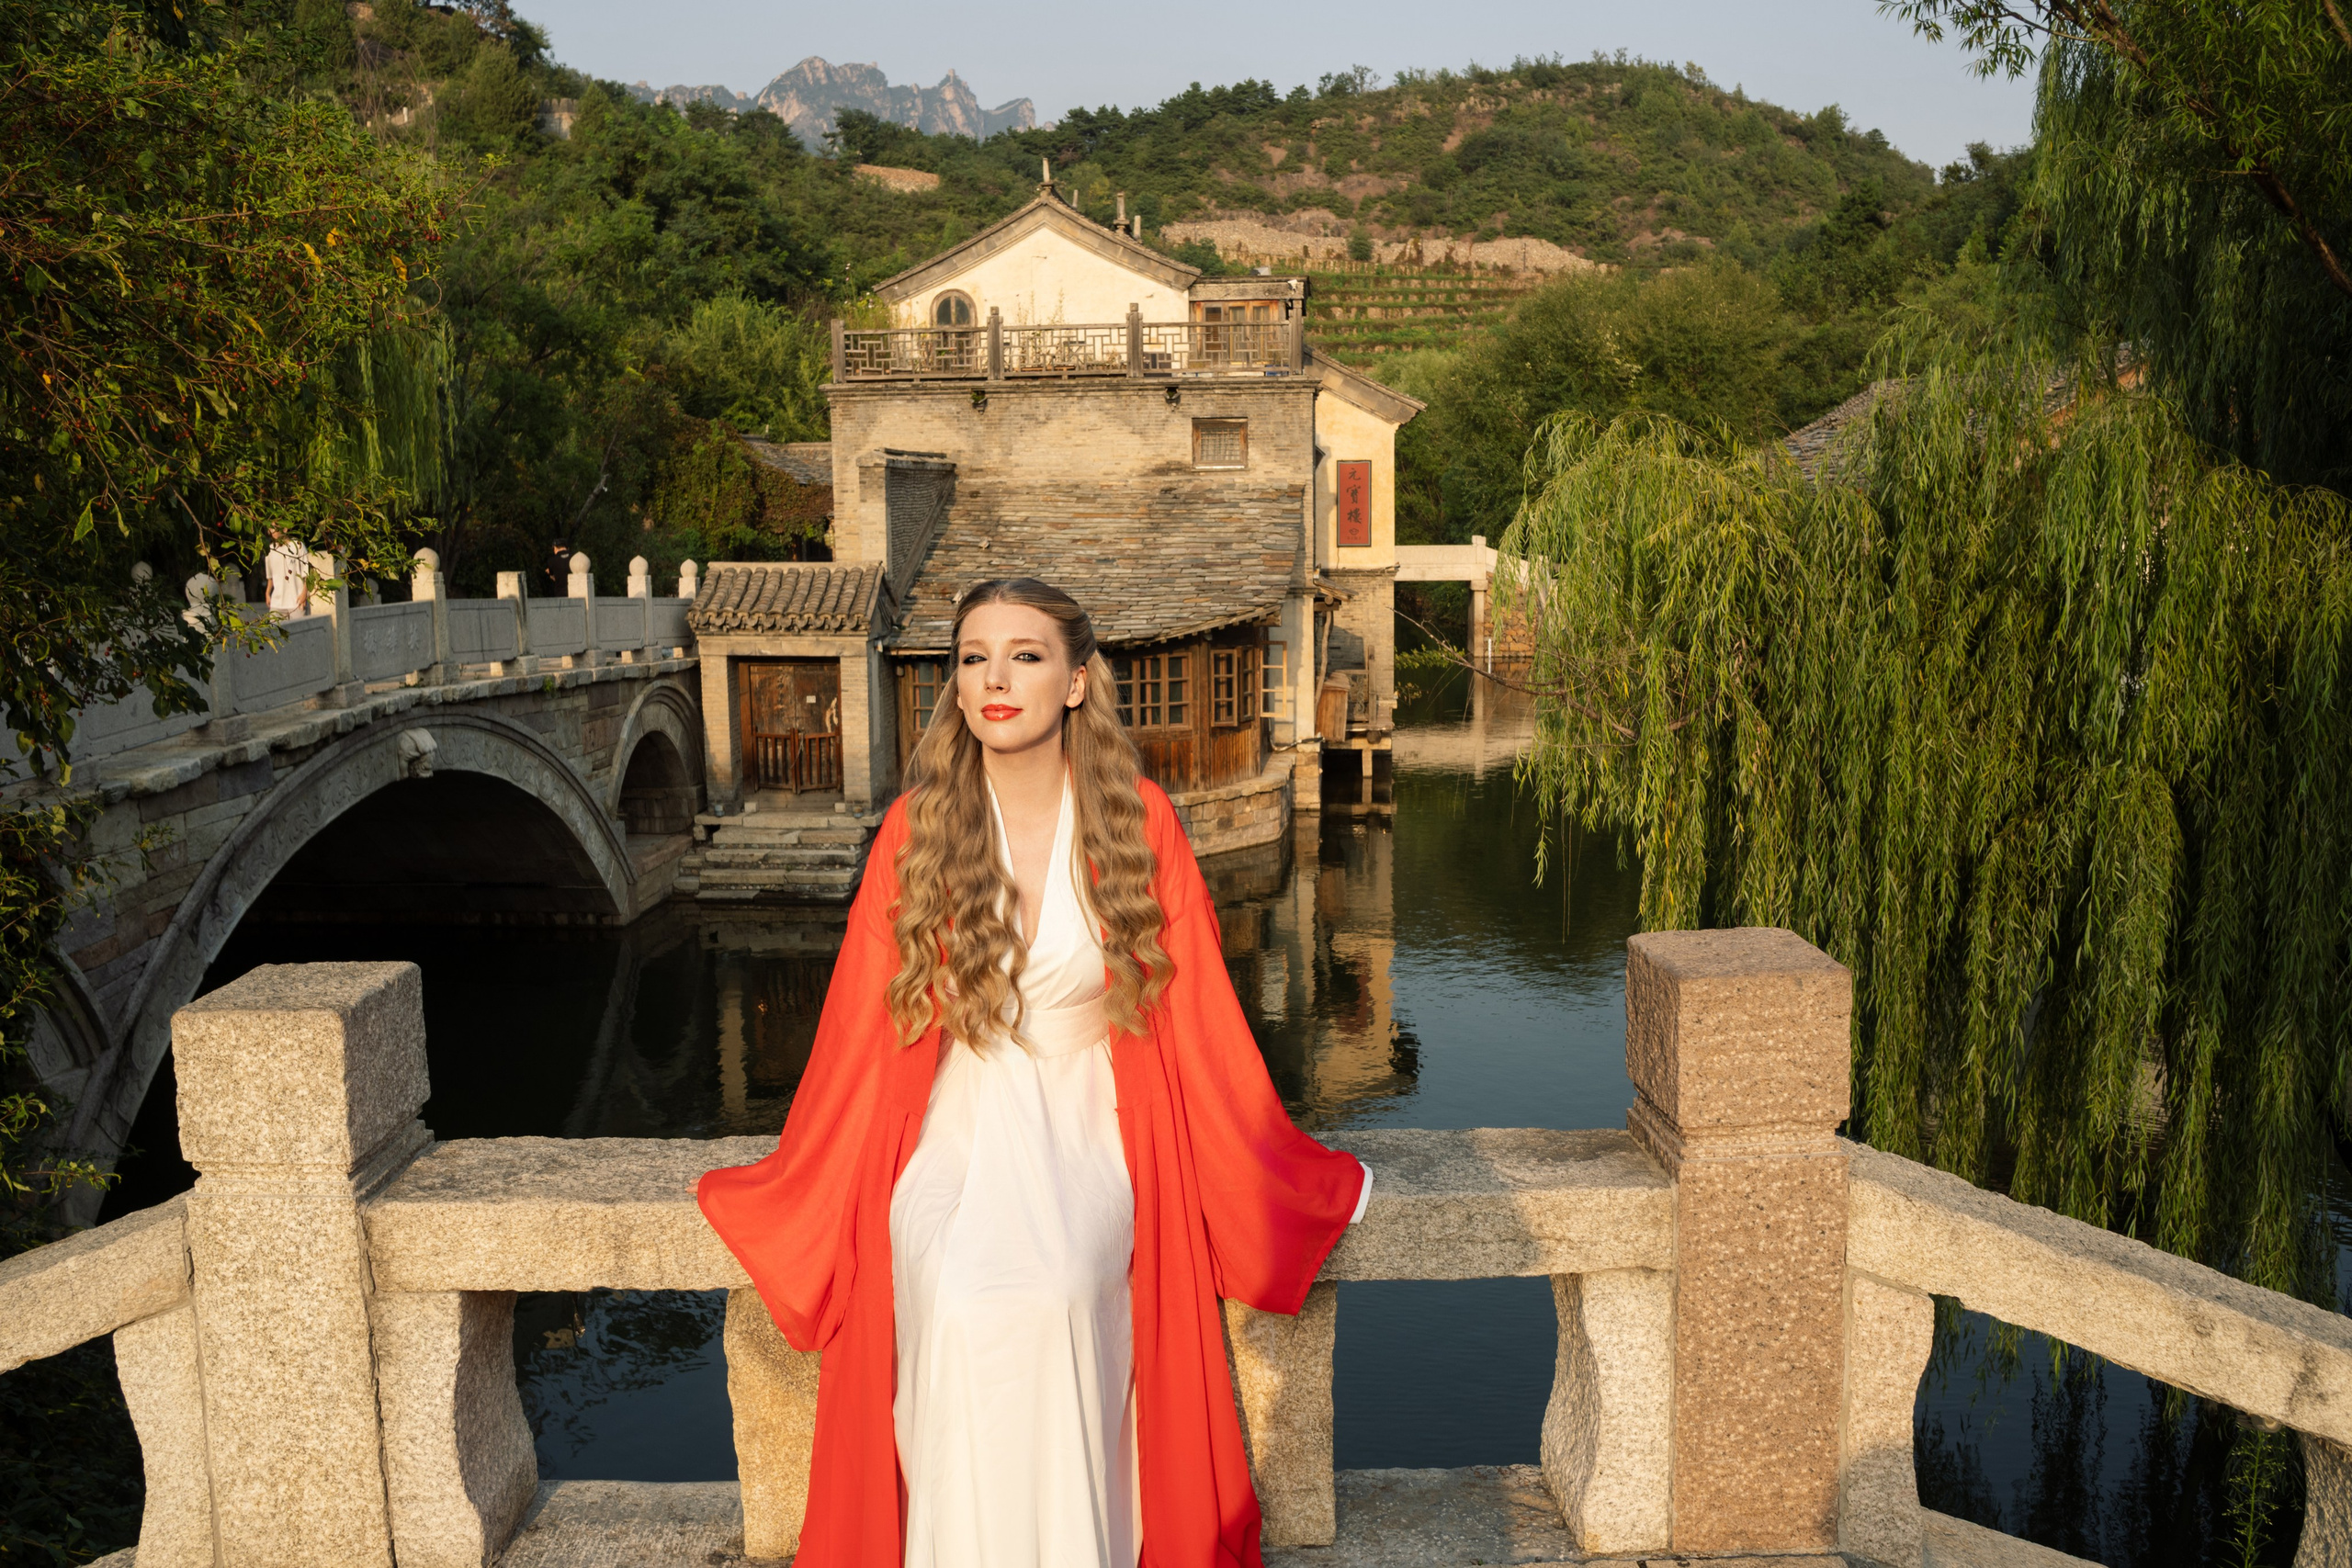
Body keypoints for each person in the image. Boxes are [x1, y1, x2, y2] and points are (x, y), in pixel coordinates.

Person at [698, 577, 1372, 1568]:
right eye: (974, 658)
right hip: (956, 1124)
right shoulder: (917, 831)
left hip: (1092, 1117)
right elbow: (852, 1034)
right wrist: (800, 1184)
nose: (995, 678)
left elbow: (1203, 1029)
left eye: (1025, 654)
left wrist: (1293, 1176)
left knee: (1059, 1285)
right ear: (956, 689)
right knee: (958, 1292)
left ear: (1074, 681)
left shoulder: (1137, 823)